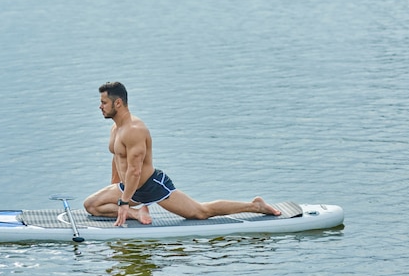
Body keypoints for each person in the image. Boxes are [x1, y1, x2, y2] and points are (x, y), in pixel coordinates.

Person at [84, 81, 281, 227]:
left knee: (200, 212)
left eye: (103, 102)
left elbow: (135, 171)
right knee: (91, 205)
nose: (100, 106)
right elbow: (117, 158)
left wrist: (123, 202)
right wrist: (115, 190)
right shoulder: (115, 129)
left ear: (117, 103)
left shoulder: (134, 130)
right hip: (128, 186)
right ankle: (137, 213)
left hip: (151, 186)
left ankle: (255, 206)